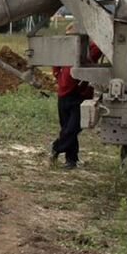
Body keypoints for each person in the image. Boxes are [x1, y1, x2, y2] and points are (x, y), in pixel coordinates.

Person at [50, 24, 102, 169]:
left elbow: (101, 45)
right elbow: (55, 68)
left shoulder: (90, 51)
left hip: (81, 96)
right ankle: (71, 160)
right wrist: (60, 79)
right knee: (66, 128)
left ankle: (56, 147)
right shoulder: (63, 52)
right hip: (63, 94)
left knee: (73, 128)